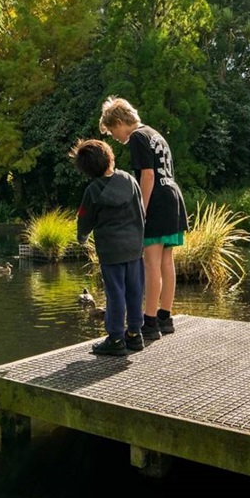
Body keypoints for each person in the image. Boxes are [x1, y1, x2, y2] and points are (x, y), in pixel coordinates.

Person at [99, 96, 188, 340]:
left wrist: (141, 210)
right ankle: (164, 317)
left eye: (113, 131)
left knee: (151, 263)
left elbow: (147, 176)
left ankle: (149, 323)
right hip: (173, 198)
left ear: (119, 121)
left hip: (157, 201)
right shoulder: (155, 134)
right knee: (166, 262)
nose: (115, 137)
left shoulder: (137, 137)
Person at [70, 139, 146, 356]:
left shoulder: (93, 191)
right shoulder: (130, 181)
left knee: (115, 294)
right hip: (134, 248)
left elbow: (84, 219)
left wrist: (82, 237)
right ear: (110, 157)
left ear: (86, 170)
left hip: (111, 251)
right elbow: (141, 212)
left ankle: (115, 338)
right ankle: (134, 334)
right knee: (135, 291)